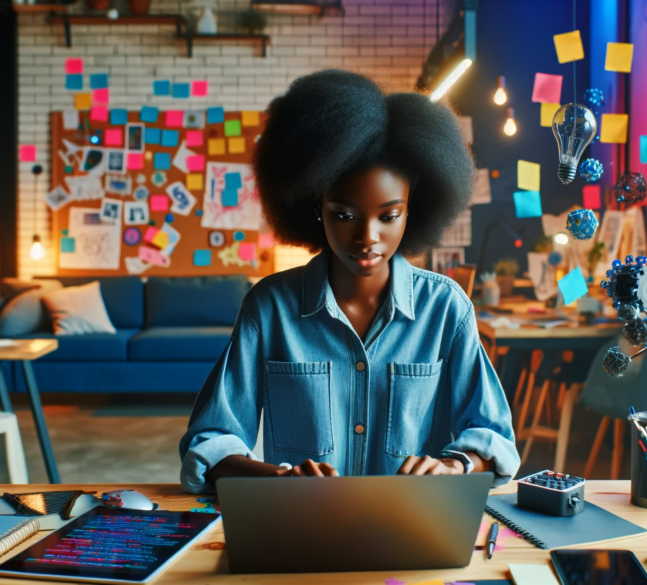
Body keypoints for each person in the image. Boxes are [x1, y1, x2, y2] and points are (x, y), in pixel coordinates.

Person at [179, 70, 519, 493]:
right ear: (313, 206)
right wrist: (281, 480)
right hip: (303, 533)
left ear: (416, 211)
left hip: (412, 533)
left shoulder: (446, 309)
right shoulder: (269, 308)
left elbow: (495, 439)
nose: (367, 237)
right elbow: (208, 442)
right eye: (344, 214)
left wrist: (456, 467)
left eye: (389, 216)